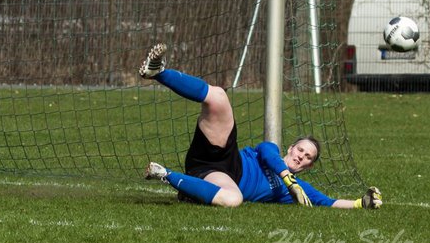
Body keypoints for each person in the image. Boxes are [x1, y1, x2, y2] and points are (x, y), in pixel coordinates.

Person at [137, 43, 382, 209]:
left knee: (234, 200)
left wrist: (362, 203)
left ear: (309, 166)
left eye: (308, 157)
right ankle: (158, 72)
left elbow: (328, 202)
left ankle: (165, 174)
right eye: (300, 150)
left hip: (219, 176)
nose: (301, 157)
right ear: (290, 148)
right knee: (219, 97)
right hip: (224, 156)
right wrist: (288, 181)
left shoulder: (295, 190)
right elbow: (267, 153)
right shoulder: (271, 152)